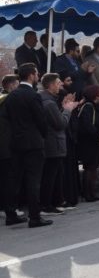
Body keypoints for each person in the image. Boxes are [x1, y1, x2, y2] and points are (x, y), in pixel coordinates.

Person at [3, 63, 51, 227]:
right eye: (36, 74)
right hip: (33, 143)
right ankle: (35, 217)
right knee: (33, 180)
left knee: (14, 180)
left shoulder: (12, 96)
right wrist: (43, 135)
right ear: (31, 75)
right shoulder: (33, 95)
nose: (38, 76)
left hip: (16, 143)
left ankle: (10, 214)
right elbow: (41, 119)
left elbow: (7, 119)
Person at [39, 73, 78, 215]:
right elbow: (60, 123)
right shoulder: (48, 102)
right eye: (58, 83)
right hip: (53, 144)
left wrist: (63, 108)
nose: (60, 85)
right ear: (50, 85)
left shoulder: (47, 100)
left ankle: (55, 201)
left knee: (54, 175)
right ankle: (46, 205)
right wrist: (68, 110)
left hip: (52, 143)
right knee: (50, 176)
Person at [75, 85, 99, 202]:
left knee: (93, 167)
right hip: (88, 142)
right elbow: (88, 125)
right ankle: (87, 193)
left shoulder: (94, 106)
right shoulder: (88, 106)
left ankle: (91, 192)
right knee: (89, 168)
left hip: (93, 141)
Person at [0, 75, 19, 221]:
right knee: (9, 180)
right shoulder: (10, 101)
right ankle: (11, 211)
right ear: (11, 86)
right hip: (7, 146)